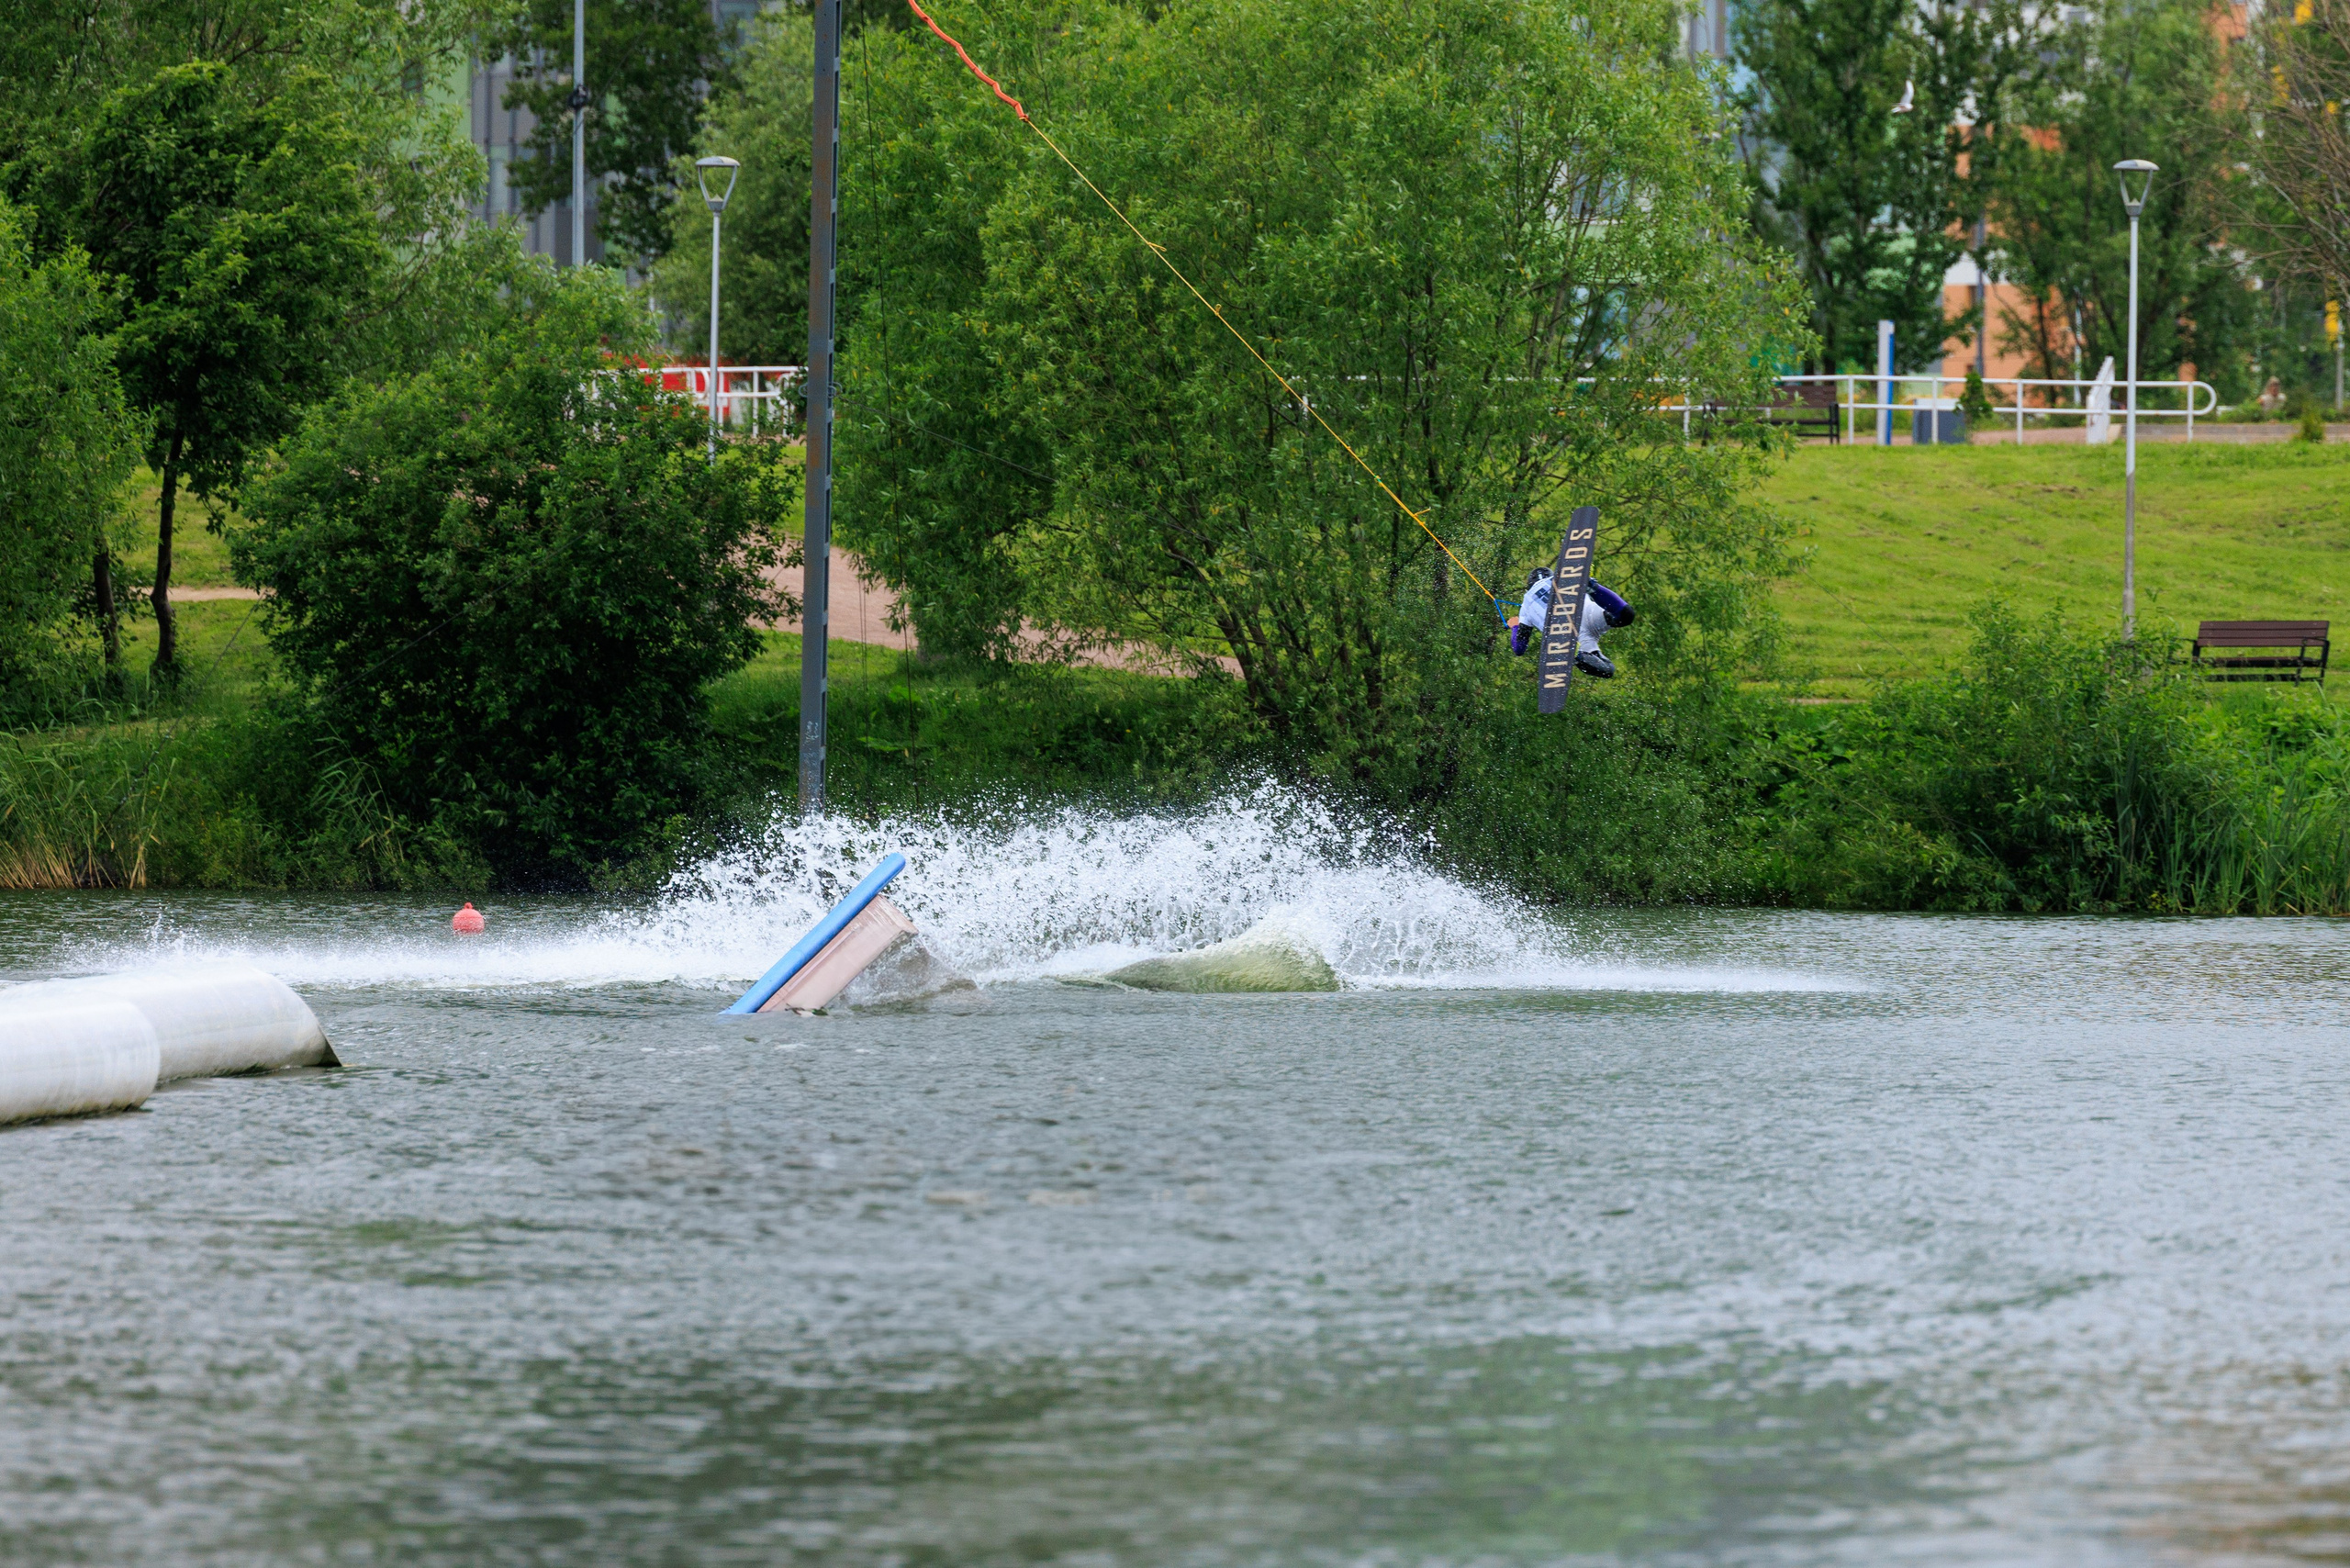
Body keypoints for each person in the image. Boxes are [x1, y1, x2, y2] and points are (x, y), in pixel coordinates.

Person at [1511, 569, 1633, 678]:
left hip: (1569, 636)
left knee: (1607, 670)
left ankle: (1576, 656)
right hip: (1587, 614)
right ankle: (1592, 587)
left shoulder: (1525, 607)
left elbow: (1519, 649)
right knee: (1626, 616)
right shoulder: (1562, 576)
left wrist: (1515, 626)